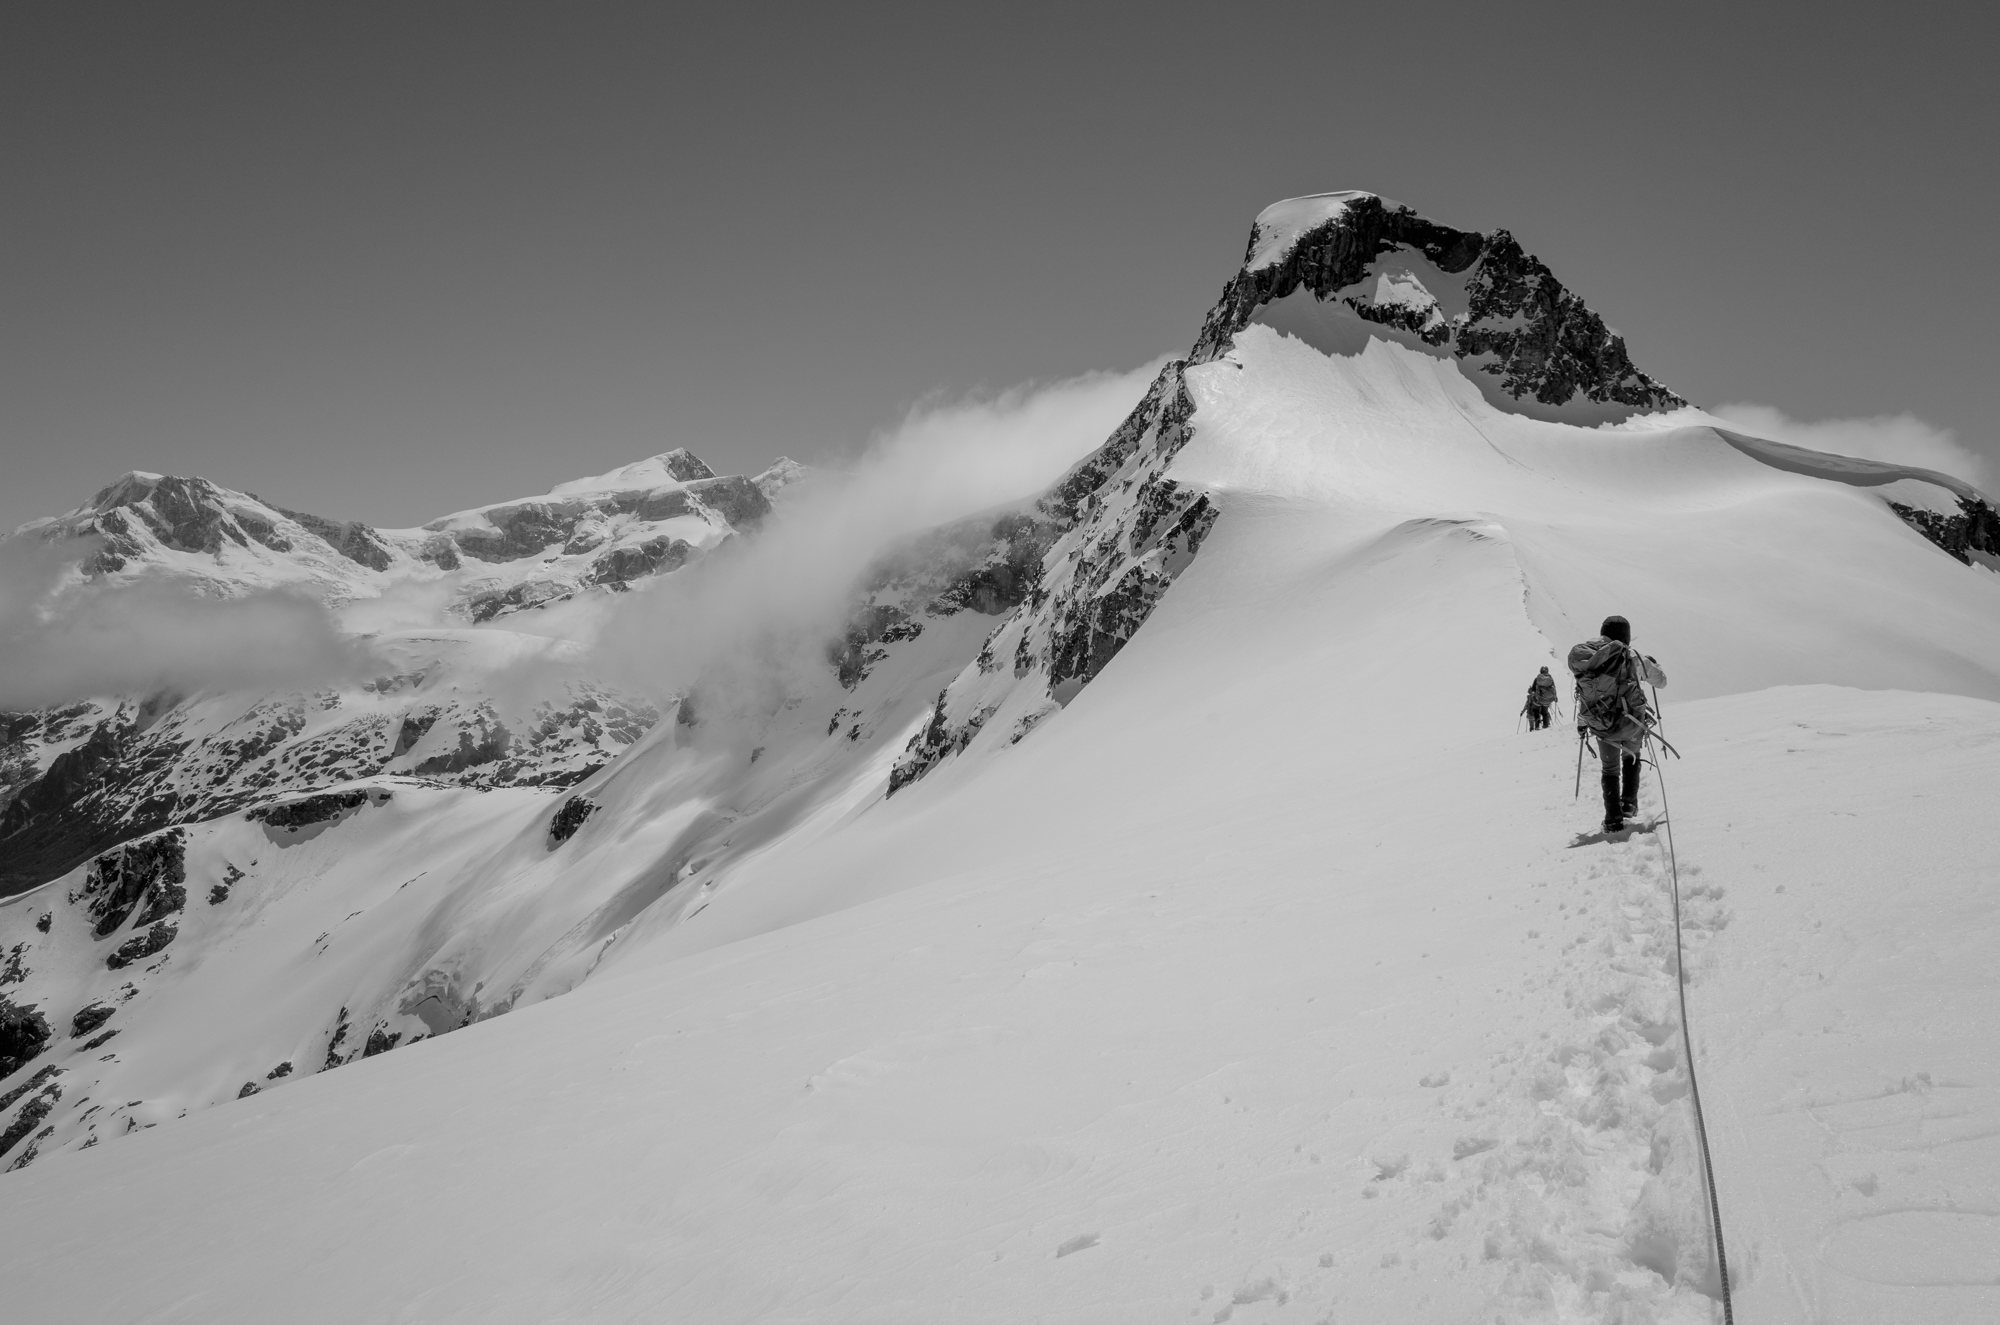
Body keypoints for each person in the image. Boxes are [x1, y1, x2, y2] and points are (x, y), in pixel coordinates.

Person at [1567, 615, 1668, 832]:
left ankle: (1613, 819)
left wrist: (1582, 723)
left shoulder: (1588, 657)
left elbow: (1588, 695)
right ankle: (1629, 804)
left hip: (1602, 723)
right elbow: (1662, 682)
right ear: (1627, 636)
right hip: (1631, 722)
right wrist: (1651, 663)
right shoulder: (1632, 656)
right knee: (1632, 757)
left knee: (1609, 769)